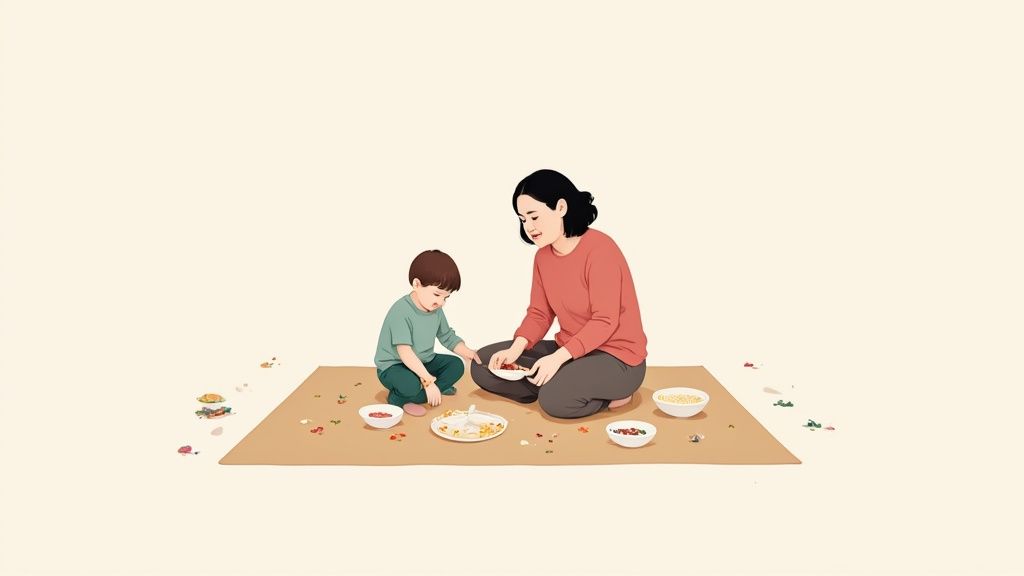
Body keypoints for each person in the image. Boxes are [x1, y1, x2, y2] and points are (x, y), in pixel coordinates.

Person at [470, 169, 648, 419]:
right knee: (483, 363)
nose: (529, 227)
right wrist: (516, 348)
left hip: (617, 358)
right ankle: (553, 383)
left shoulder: (601, 250)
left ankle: (604, 394)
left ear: (561, 207)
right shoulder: (542, 257)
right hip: (570, 352)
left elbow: (605, 321)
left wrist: (556, 359)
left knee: (555, 400)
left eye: (534, 216)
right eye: (522, 219)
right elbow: (539, 313)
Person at [374, 250, 482, 416]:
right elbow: (405, 353)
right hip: (394, 366)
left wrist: (467, 352)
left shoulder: (436, 309)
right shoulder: (400, 311)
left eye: (446, 297)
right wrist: (428, 381)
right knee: (409, 385)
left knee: (456, 366)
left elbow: (447, 336)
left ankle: (423, 393)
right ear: (417, 284)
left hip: (423, 362)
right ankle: (399, 399)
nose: (441, 302)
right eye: (437, 294)